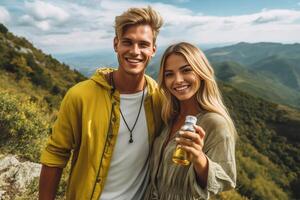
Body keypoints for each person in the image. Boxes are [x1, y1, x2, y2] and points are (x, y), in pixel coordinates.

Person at [39, 6, 163, 200]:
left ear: (153, 50)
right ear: (116, 44)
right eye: (127, 42)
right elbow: (55, 155)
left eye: (143, 44)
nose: (135, 51)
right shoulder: (80, 96)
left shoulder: (159, 98)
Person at [144, 42, 237, 200]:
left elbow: (225, 180)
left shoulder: (214, 123)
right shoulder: (168, 117)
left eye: (186, 70)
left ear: (201, 72)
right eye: (169, 74)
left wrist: (199, 158)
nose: (178, 80)